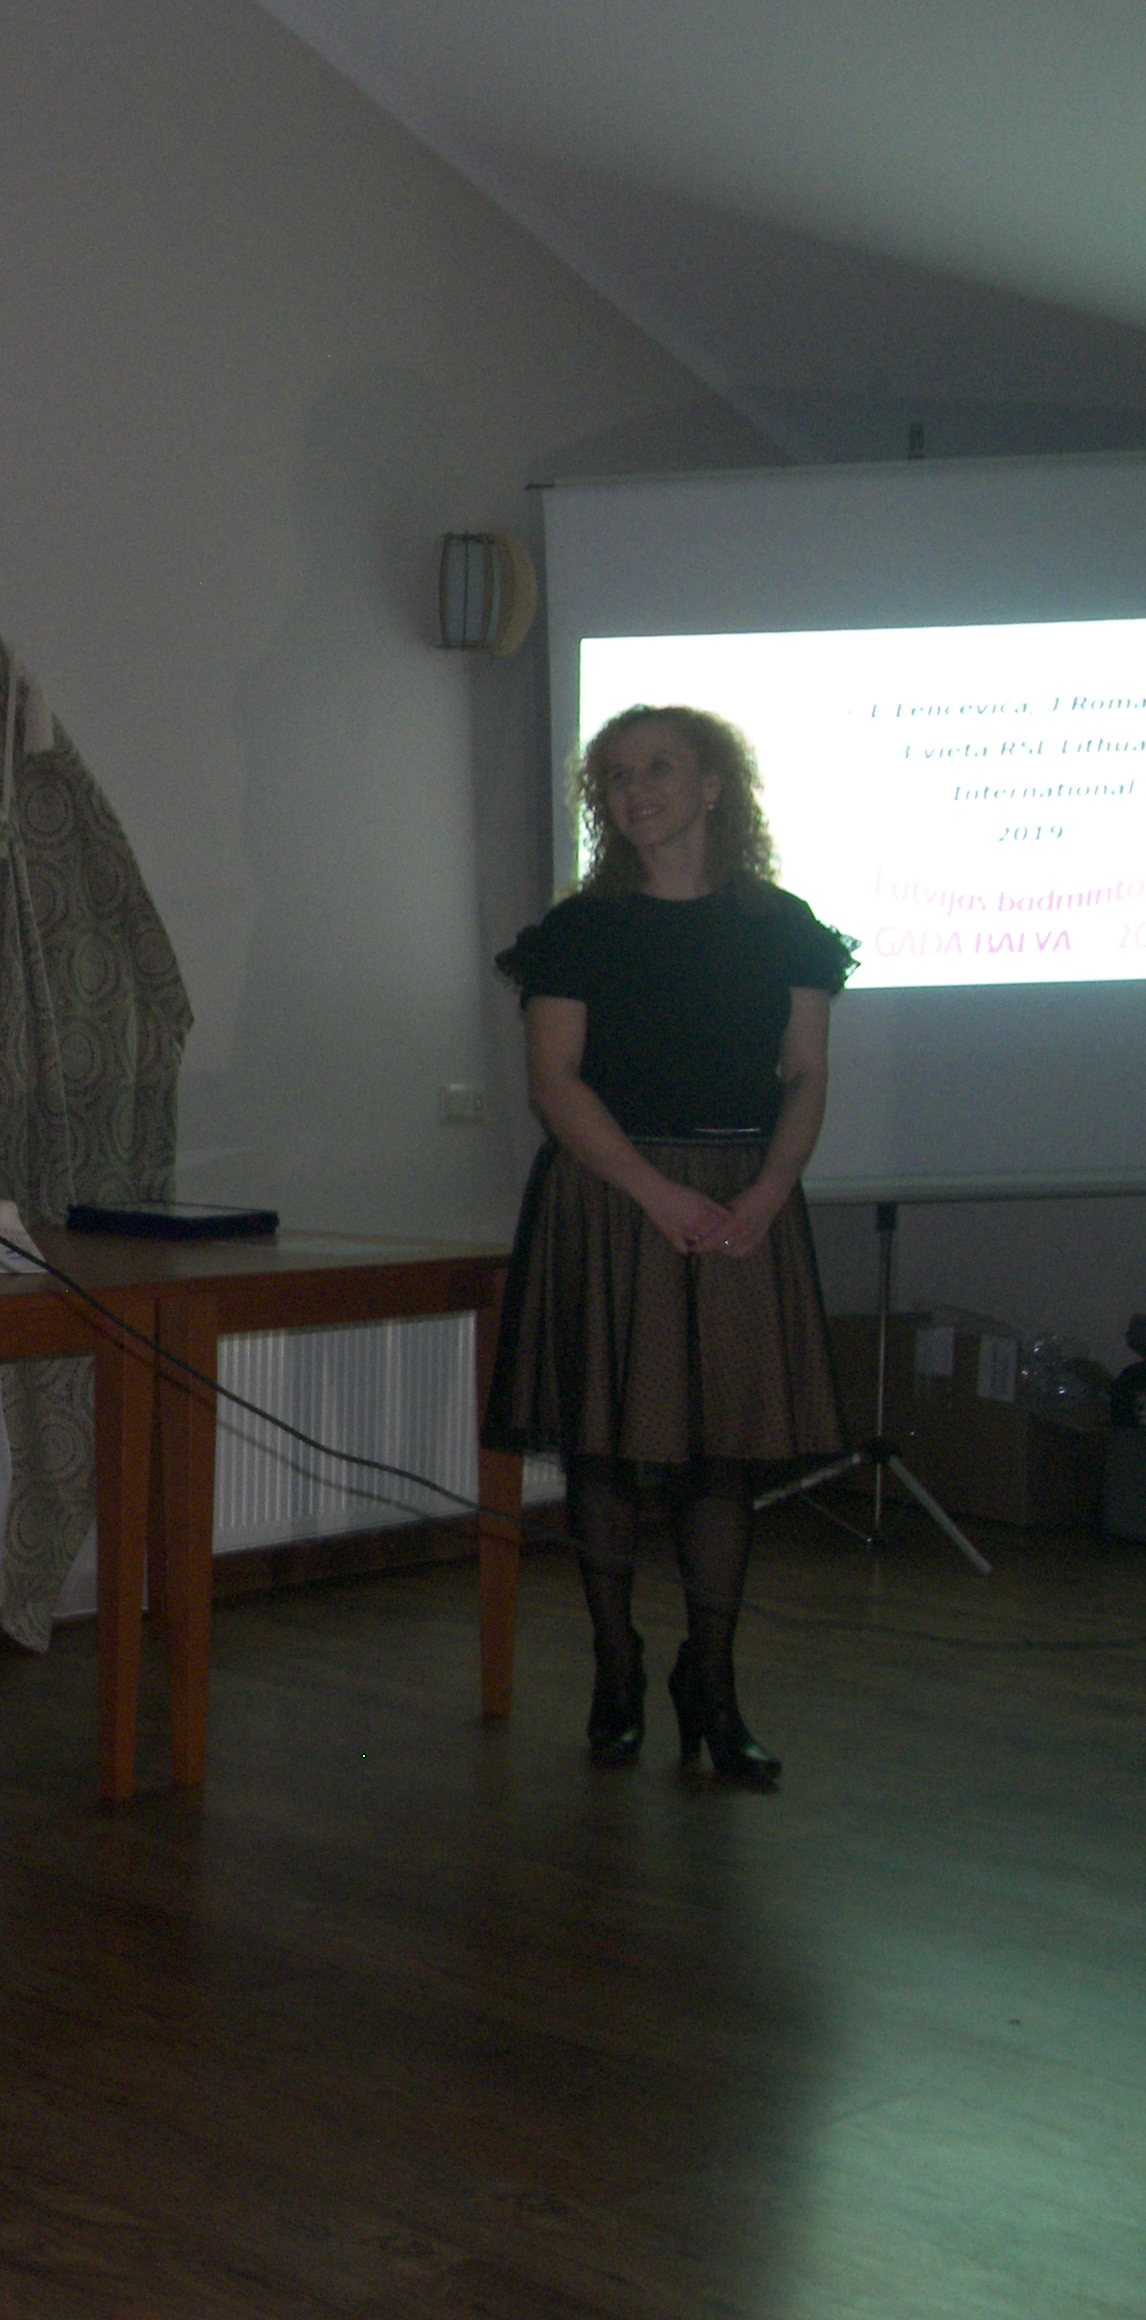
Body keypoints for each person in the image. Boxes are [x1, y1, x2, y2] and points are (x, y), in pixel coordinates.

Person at [487, 703, 854, 1788]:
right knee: (602, 1451)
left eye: (658, 768)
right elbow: (555, 1083)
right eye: (616, 776)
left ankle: (714, 1682)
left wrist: (769, 1189)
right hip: (612, 1199)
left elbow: (807, 1073)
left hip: (741, 1200)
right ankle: (617, 1670)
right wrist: (655, 1193)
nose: (635, 790)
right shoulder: (581, 930)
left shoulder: (782, 926)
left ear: (712, 786)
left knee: (718, 1456)